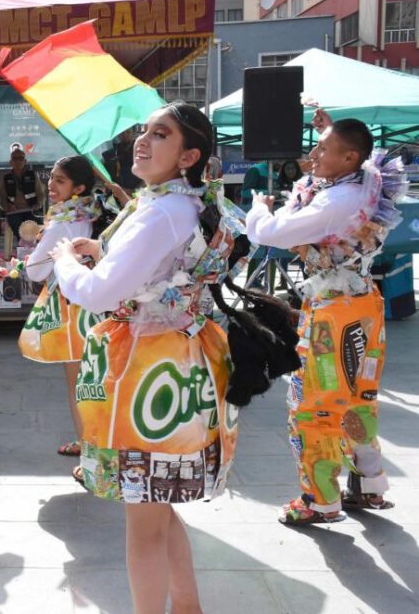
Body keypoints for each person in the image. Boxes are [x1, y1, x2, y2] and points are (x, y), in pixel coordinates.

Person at [48, 101, 287, 613]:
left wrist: (66, 261)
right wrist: (99, 248)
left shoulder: (159, 210)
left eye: (161, 134)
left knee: (143, 522)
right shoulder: (181, 203)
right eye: (145, 131)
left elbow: (94, 294)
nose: (144, 140)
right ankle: (186, 606)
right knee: (158, 506)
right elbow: (155, 267)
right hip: (181, 361)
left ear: (188, 155)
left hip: (147, 372)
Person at [247, 108, 403, 525]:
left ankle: (320, 499)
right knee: (358, 398)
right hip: (363, 305)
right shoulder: (367, 182)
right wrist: (329, 130)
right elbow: (359, 157)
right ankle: (368, 485)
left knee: (314, 401)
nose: (314, 154)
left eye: (324, 149)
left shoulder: (337, 200)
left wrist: (259, 208)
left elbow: (270, 234)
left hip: (333, 315)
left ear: (348, 158)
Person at [16, 155, 104, 457]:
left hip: (73, 307)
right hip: (98, 301)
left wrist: (30, 256)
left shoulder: (60, 224)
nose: (51, 185)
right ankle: (94, 443)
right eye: (51, 177)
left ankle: (90, 451)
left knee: (78, 383)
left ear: (77, 187)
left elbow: (35, 272)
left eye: (60, 180)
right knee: (97, 378)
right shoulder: (92, 213)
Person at [0, 148, 45, 241]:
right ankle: (24, 245)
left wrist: (38, 204)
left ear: (25, 161)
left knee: (37, 226)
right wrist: (8, 207)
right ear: (11, 162)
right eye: (15, 158)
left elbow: (41, 194)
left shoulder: (33, 175)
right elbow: (2, 198)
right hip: (14, 212)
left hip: (31, 210)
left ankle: (34, 247)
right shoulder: (5, 178)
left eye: (21, 158)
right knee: (17, 224)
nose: (18, 161)